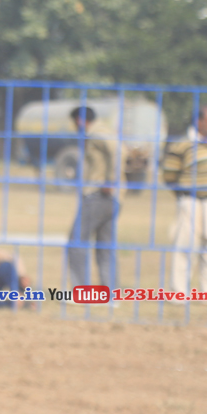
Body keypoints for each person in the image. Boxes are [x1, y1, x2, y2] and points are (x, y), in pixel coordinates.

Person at [66, 105, 123, 288]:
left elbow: (119, 151)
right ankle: (111, 293)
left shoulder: (97, 133)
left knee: (76, 242)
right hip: (111, 198)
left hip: (99, 196)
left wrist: (111, 181)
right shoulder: (103, 131)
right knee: (105, 247)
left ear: (79, 120)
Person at [161, 105, 207, 293]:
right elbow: (169, 175)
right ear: (199, 121)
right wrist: (183, 193)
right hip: (191, 201)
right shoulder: (182, 144)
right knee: (185, 246)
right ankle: (178, 292)